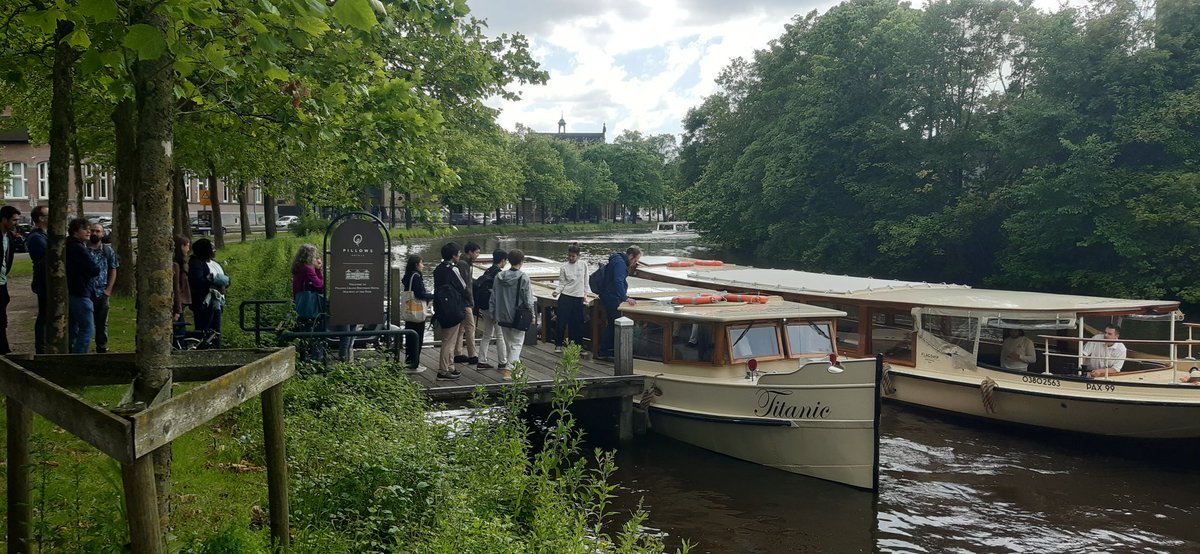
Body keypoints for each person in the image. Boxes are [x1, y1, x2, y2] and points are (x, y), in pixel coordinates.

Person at [492, 248, 535, 380]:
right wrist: (532, 315)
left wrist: (494, 312)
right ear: (521, 262)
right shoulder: (523, 277)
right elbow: (528, 299)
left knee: (509, 343)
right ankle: (509, 370)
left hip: (503, 314)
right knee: (516, 344)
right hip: (518, 315)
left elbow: (493, 296)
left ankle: (513, 368)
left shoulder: (499, 276)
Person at [597, 245, 641, 360]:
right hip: (612, 297)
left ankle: (608, 349)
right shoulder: (620, 264)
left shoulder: (616, 259)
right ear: (631, 256)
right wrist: (625, 297)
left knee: (612, 323)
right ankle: (604, 351)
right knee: (614, 324)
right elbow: (618, 281)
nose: (634, 264)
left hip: (608, 295)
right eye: (635, 261)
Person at [433, 242, 469, 380]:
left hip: (441, 307)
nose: (460, 255)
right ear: (453, 256)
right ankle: (442, 370)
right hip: (452, 308)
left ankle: (450, 367)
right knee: (448, 341)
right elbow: (463, 285)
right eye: (459, 253)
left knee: (448, 339)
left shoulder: (438, 269)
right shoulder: (452, 269)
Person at [65, 218, 100, 353]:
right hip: (80, 291)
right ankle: (79, 357)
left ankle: (70, 353)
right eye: (85, 229)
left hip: (73, 291)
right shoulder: (78, 248)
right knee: (87, 328)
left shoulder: (69, 245)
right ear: (75, 231)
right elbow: (93, 269)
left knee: (73, 327)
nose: (88, 232)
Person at [188, 238, 229, 348]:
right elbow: (198, 282)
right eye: (212, 248)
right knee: (205, 329)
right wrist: (214, 285)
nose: (215, 250)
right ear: (205, 250)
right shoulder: (197, 264)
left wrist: (224, 284)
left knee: (215, 329)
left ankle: (215, 347)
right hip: (204, 303)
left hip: (216, 301)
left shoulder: (214, 263)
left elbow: (226, 278)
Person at [86, 223, 119, 353]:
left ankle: (102, 347)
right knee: (85, 322)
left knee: (102, 322)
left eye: (98, 231)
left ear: (102, 234)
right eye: (92, 231)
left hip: (102, 291)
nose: (95, 233)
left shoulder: (108, 251)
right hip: (86, 291)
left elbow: (113, 269)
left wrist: (108, 290)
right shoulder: (83, 249)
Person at [552, 243, 590, 353]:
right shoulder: (564, 267)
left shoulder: (583, 265)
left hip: (578, 297)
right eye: (569, 256)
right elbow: (562, 283)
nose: (570, 258)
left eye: (573, 256)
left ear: (578, 256)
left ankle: (578, 345)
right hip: (566, 296)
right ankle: (558, 344)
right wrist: (556, 291)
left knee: (577, 323)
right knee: (561, 321)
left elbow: (585, 281)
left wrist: (585, 295)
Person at [475, 249, 507, 370]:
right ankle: (502, 361)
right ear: (503, 260)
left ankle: (481, 360)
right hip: (494, 308)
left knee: (487, 334)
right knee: (500, 335)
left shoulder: (488, 271)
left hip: (484, 307)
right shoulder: (499, 274)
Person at [402, 254, 435, 371]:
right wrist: (433, 296)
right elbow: (420, 294)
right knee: (417, 337)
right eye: (421, 263)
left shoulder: (408, 276)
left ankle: (409, 360)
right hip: (417, 312)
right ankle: (414, 363)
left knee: (410, 337)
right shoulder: (416, 277)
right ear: (416, 264)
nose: (423, 266)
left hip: (409, 312)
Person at [292, 244, 325, 361]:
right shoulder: (308, 269)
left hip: (300, 305)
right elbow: (320, 286)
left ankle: (304, 359)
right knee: (317, 333)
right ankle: (316, 360)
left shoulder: (297, 268)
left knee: (304, 334)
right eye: (315, 256)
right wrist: (318, 269)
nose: (316, 258)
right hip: (311, 307)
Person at [453, 241, 480, 365]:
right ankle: (472, 355)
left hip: (459, 302)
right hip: (465, 302)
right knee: (470, 327)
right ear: (470, 252)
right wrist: (470, 300)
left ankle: (458, 353)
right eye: (477, 252)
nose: (478, 255)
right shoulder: (464, 265)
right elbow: (465, 285)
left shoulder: (463, 263)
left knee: (461, 328)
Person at [26, 206, 49, 354]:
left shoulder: (45, 235)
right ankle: (41, 348)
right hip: (43, 281)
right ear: (41, 218)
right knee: (44, 314)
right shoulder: (36, 238)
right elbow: (45, 257)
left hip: (45, 280)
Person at [0, 205, 19, 354]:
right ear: (4, 219)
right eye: (14, 220)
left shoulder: (9, 237)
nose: (16, 223)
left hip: (2, 282)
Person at [172, 236, 191, 323]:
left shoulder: (183, 263)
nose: (188, 248)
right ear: (181, 247)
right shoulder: (176, 265)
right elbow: (177, 287)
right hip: (178, 304)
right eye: (187, 246)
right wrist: (178, 310)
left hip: (182, 303)